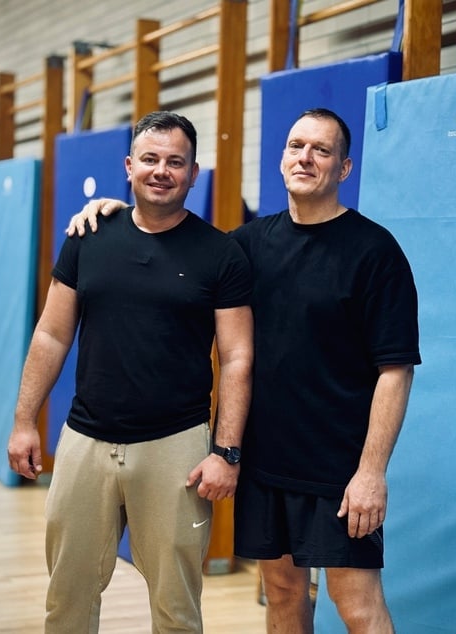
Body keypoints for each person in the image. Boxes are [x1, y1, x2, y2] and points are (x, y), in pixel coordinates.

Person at [67, 108, 420, 633]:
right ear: (280, 159)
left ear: (344, 169)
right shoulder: (245, 247)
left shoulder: (375, 251)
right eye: (296, 146)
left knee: (356, 603)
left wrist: (371, 472)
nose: (306, 158)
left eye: (322, 150)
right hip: (264, 461)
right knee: (281, 592)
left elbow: (396, 370)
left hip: (339, 467)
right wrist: (116, 211)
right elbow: (170, 239)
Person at [8, 110, 254, 633]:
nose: (161, 170)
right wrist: (25, 420)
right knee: (67, 598)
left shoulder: (221, 254)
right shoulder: (88, 235)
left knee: (176, 609)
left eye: (175, 162)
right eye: (150, 159)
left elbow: (236, 358)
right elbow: (51, 334)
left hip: (177, 449)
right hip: (85, 441)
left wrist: (226, 452)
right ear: (128, 166)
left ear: (193, 173)